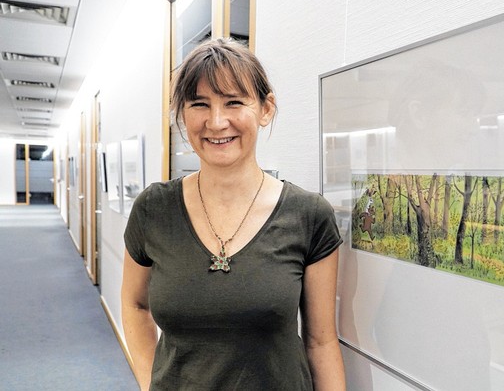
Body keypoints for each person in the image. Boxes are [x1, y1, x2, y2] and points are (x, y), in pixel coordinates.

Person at [121, 37, 346, 390]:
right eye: (199, 104)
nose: (216, 121)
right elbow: (135, 306)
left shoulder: (308, 215)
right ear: (182, 112)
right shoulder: (153, 209)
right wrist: (152, 384)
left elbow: (321, 341)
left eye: (234, 102)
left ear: (265, 109)